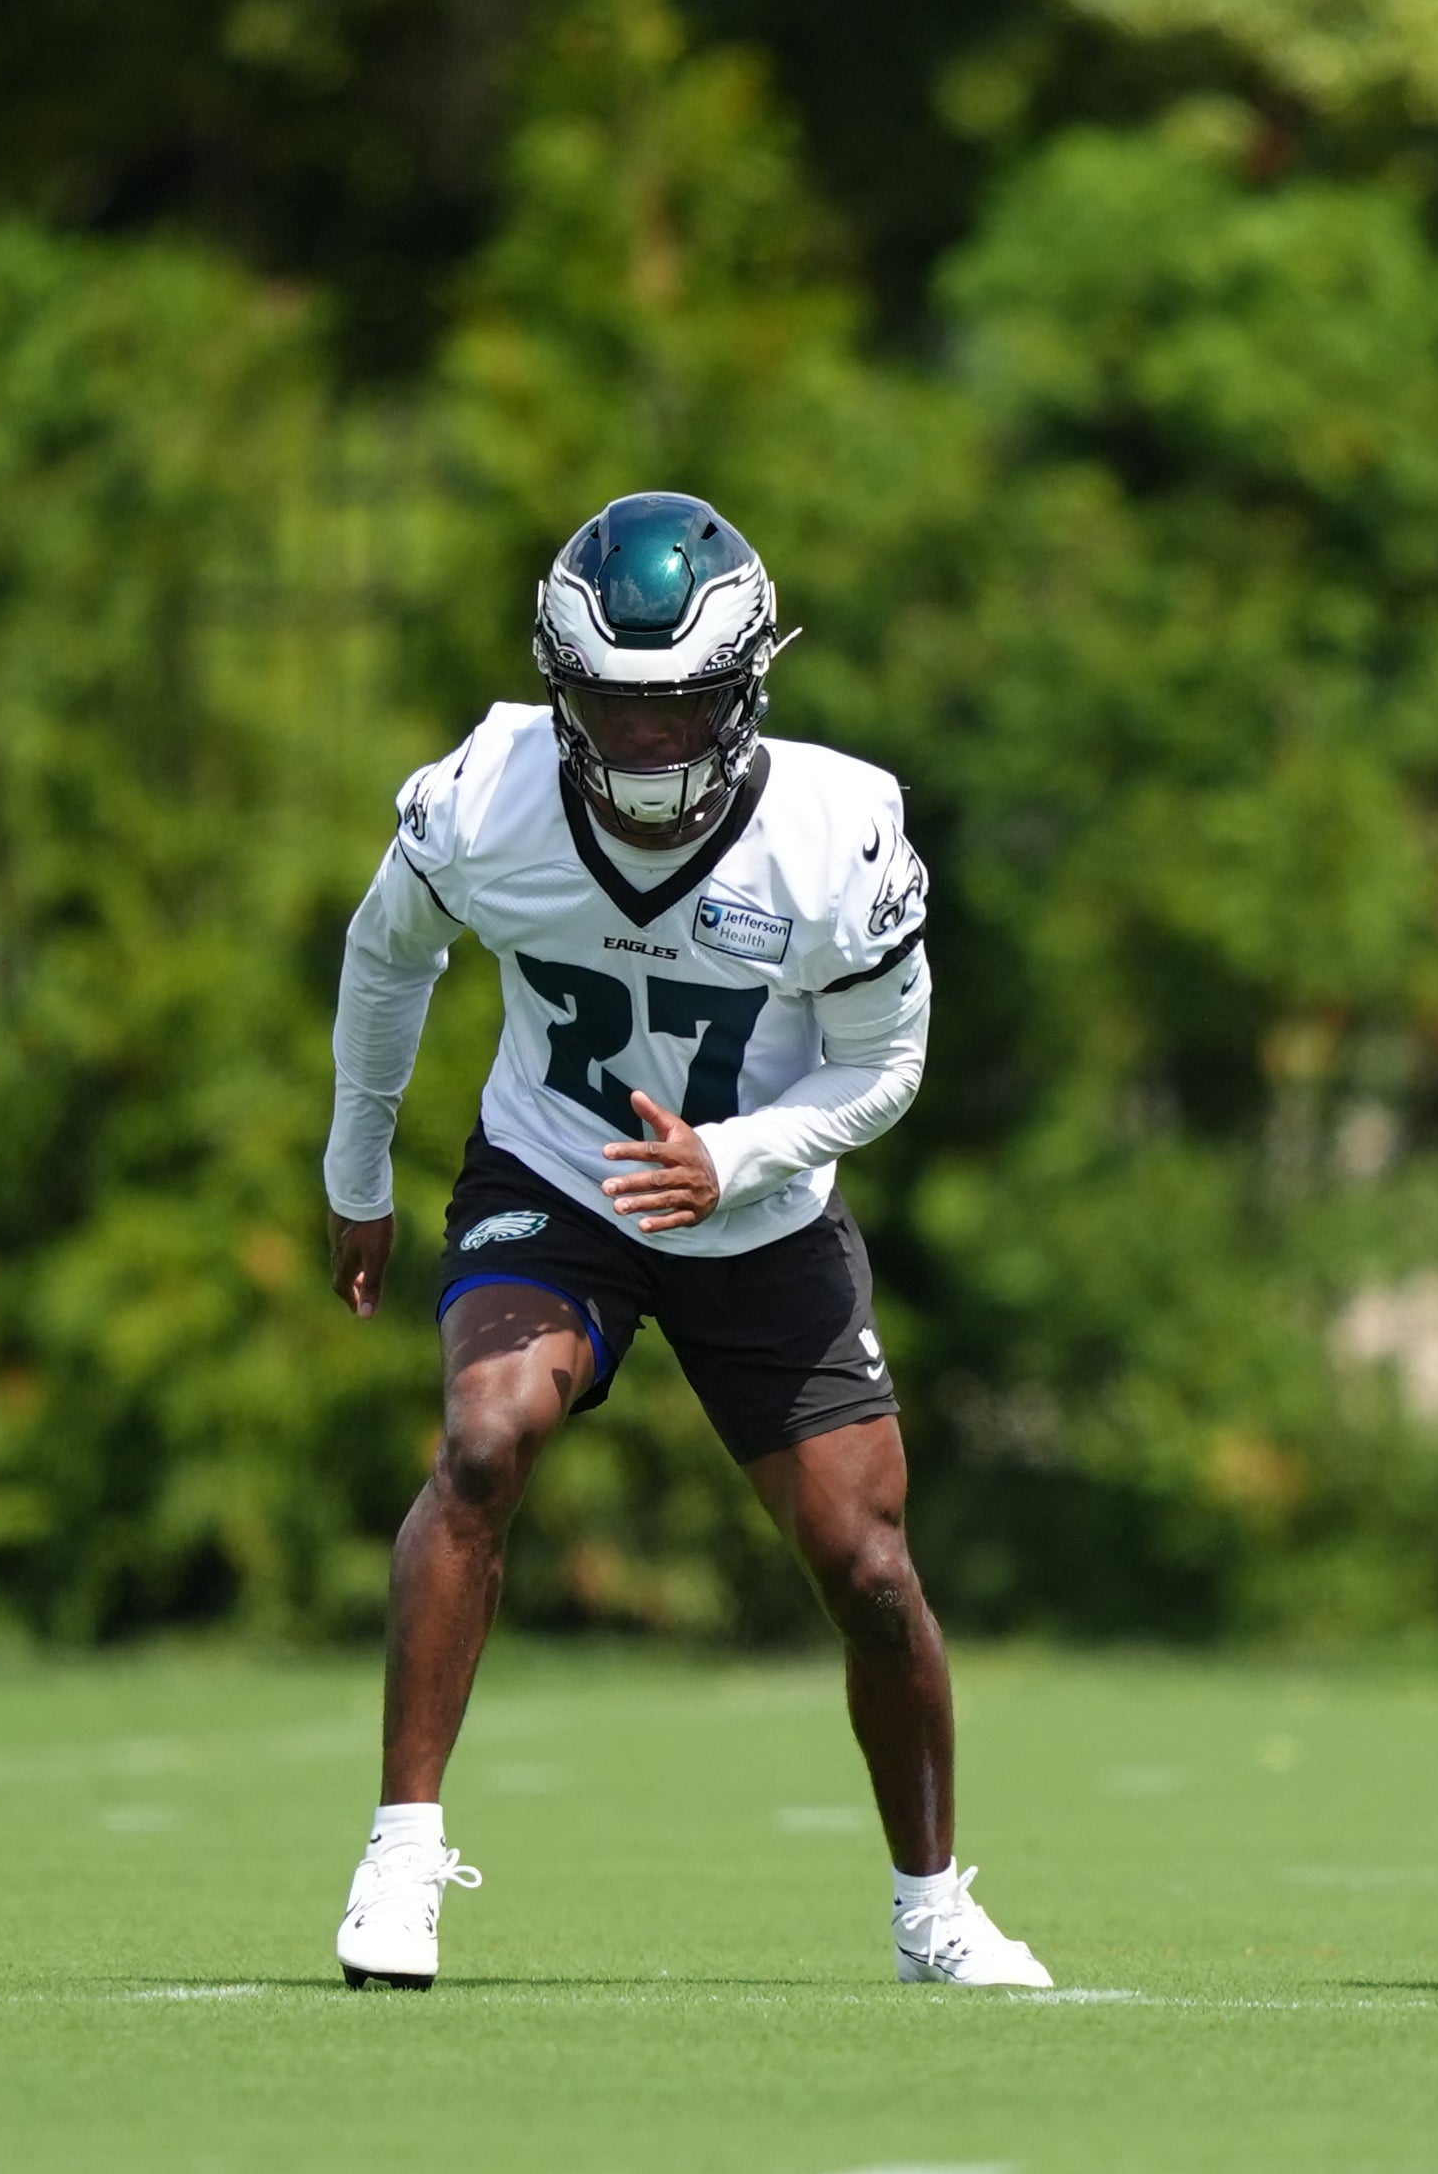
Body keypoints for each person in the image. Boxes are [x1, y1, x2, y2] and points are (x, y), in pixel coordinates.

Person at [317, 491, 1049, 1992]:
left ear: (749, 687)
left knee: (868, 1564)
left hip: (758, 1203)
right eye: (613, 707)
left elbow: (886, 1066)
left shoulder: (835, 833)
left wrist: (740, 1154)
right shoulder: (489, 789)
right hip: (560, 1171)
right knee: (482, 1437)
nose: (649, 747)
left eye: (684, 708)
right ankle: (400, 1856)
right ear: (557, 688)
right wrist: (358, 1160)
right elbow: (388, 952)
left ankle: (932, 1907)